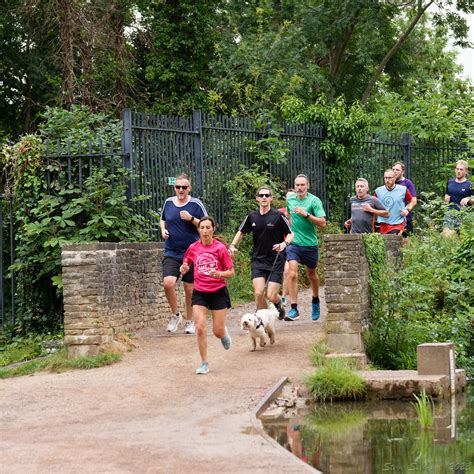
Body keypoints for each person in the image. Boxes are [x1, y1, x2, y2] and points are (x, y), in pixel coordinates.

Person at [180, 216, 234, 375]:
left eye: (207, 227)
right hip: (200, 292)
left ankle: (222, 333)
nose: (204, 231)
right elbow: (186, 264)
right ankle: (204, 363)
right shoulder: (193, 248)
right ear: (198, 230)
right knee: (200, 328)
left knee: (217, 331)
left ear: (213, 229)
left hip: (218, 291)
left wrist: (219, 273)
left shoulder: (220, 248)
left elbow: (231, 272)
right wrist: (183, 269)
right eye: (202, 227)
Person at [229, 186, 293, 320]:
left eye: (267, 195)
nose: (264, 198)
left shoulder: (278, 216)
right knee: (258, 293)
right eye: (261, 195)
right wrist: (233, 245)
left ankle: (278, 303)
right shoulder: (252, 216)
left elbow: (291, 234)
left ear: (271, 198)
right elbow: (240, 232)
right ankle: (264, 321)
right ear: (257, 198)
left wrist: (283, 244)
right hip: (258, 260)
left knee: (270, 295)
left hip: (276, 259)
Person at [159, 173, 207, 334]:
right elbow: (162, 219)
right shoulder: (168, 203)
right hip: (171, 251)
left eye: (184, 187)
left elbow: (206, 224)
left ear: (189, 188)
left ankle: (190, 320)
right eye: (178, 187)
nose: (180, 190)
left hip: (191, 252)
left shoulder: (196, 204)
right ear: (174, 188)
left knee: (189, 289)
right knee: (168, 283)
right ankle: (175, 315)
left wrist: (191, 218)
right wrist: (163, 230)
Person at [285, 174, 326, 322]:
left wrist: (306, 214)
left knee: (312, 275)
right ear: (294, 186)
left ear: (307, 185)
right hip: (294, 243)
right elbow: (288, 216)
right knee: (292, 273)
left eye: (302, 185)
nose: (300, 188)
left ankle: (315, 301)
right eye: (297, 185)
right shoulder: (290, 200)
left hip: (310, 244)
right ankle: (294, 309)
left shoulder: (314, 201)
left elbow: (322, 223)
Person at [374, 169, 415, 235]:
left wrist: (407, 210)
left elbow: (411, 201)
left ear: (395, 178)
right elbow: (373, 206)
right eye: (385, 178)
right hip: (383, 224)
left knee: (393, 240)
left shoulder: (403, 189)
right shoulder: (378, 191)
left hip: (398, 223)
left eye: (389, 178)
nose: (387, 180)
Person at [443, 159, 473, 234]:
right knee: (447, 236)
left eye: (461, 169)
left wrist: (468, 199)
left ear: (466, 171)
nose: (458, 171)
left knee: (461, 240)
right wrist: (446, 199)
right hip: (450, 214)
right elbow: (447, 194)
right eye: (457, 169)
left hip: (464, 216)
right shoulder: (450, 182)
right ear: (455, 170)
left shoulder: (470, 185)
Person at [278, 189, 295, 307]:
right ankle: (273, 295)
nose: (289, 199)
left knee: (287, 271)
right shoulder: (280, 212)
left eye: (292, 197)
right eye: (288, 197)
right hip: (279, 244)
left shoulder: (298, 212)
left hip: (292, 245)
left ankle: (283, 297)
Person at [392, 161, 417, 235]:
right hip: (392, 219)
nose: (394, 171)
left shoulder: (407, 183)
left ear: (402, 171)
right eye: (393, 169)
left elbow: (414, 200)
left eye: (397, 170)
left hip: (405, 218)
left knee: (406, 243)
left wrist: (406, 210)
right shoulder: (390, 183)